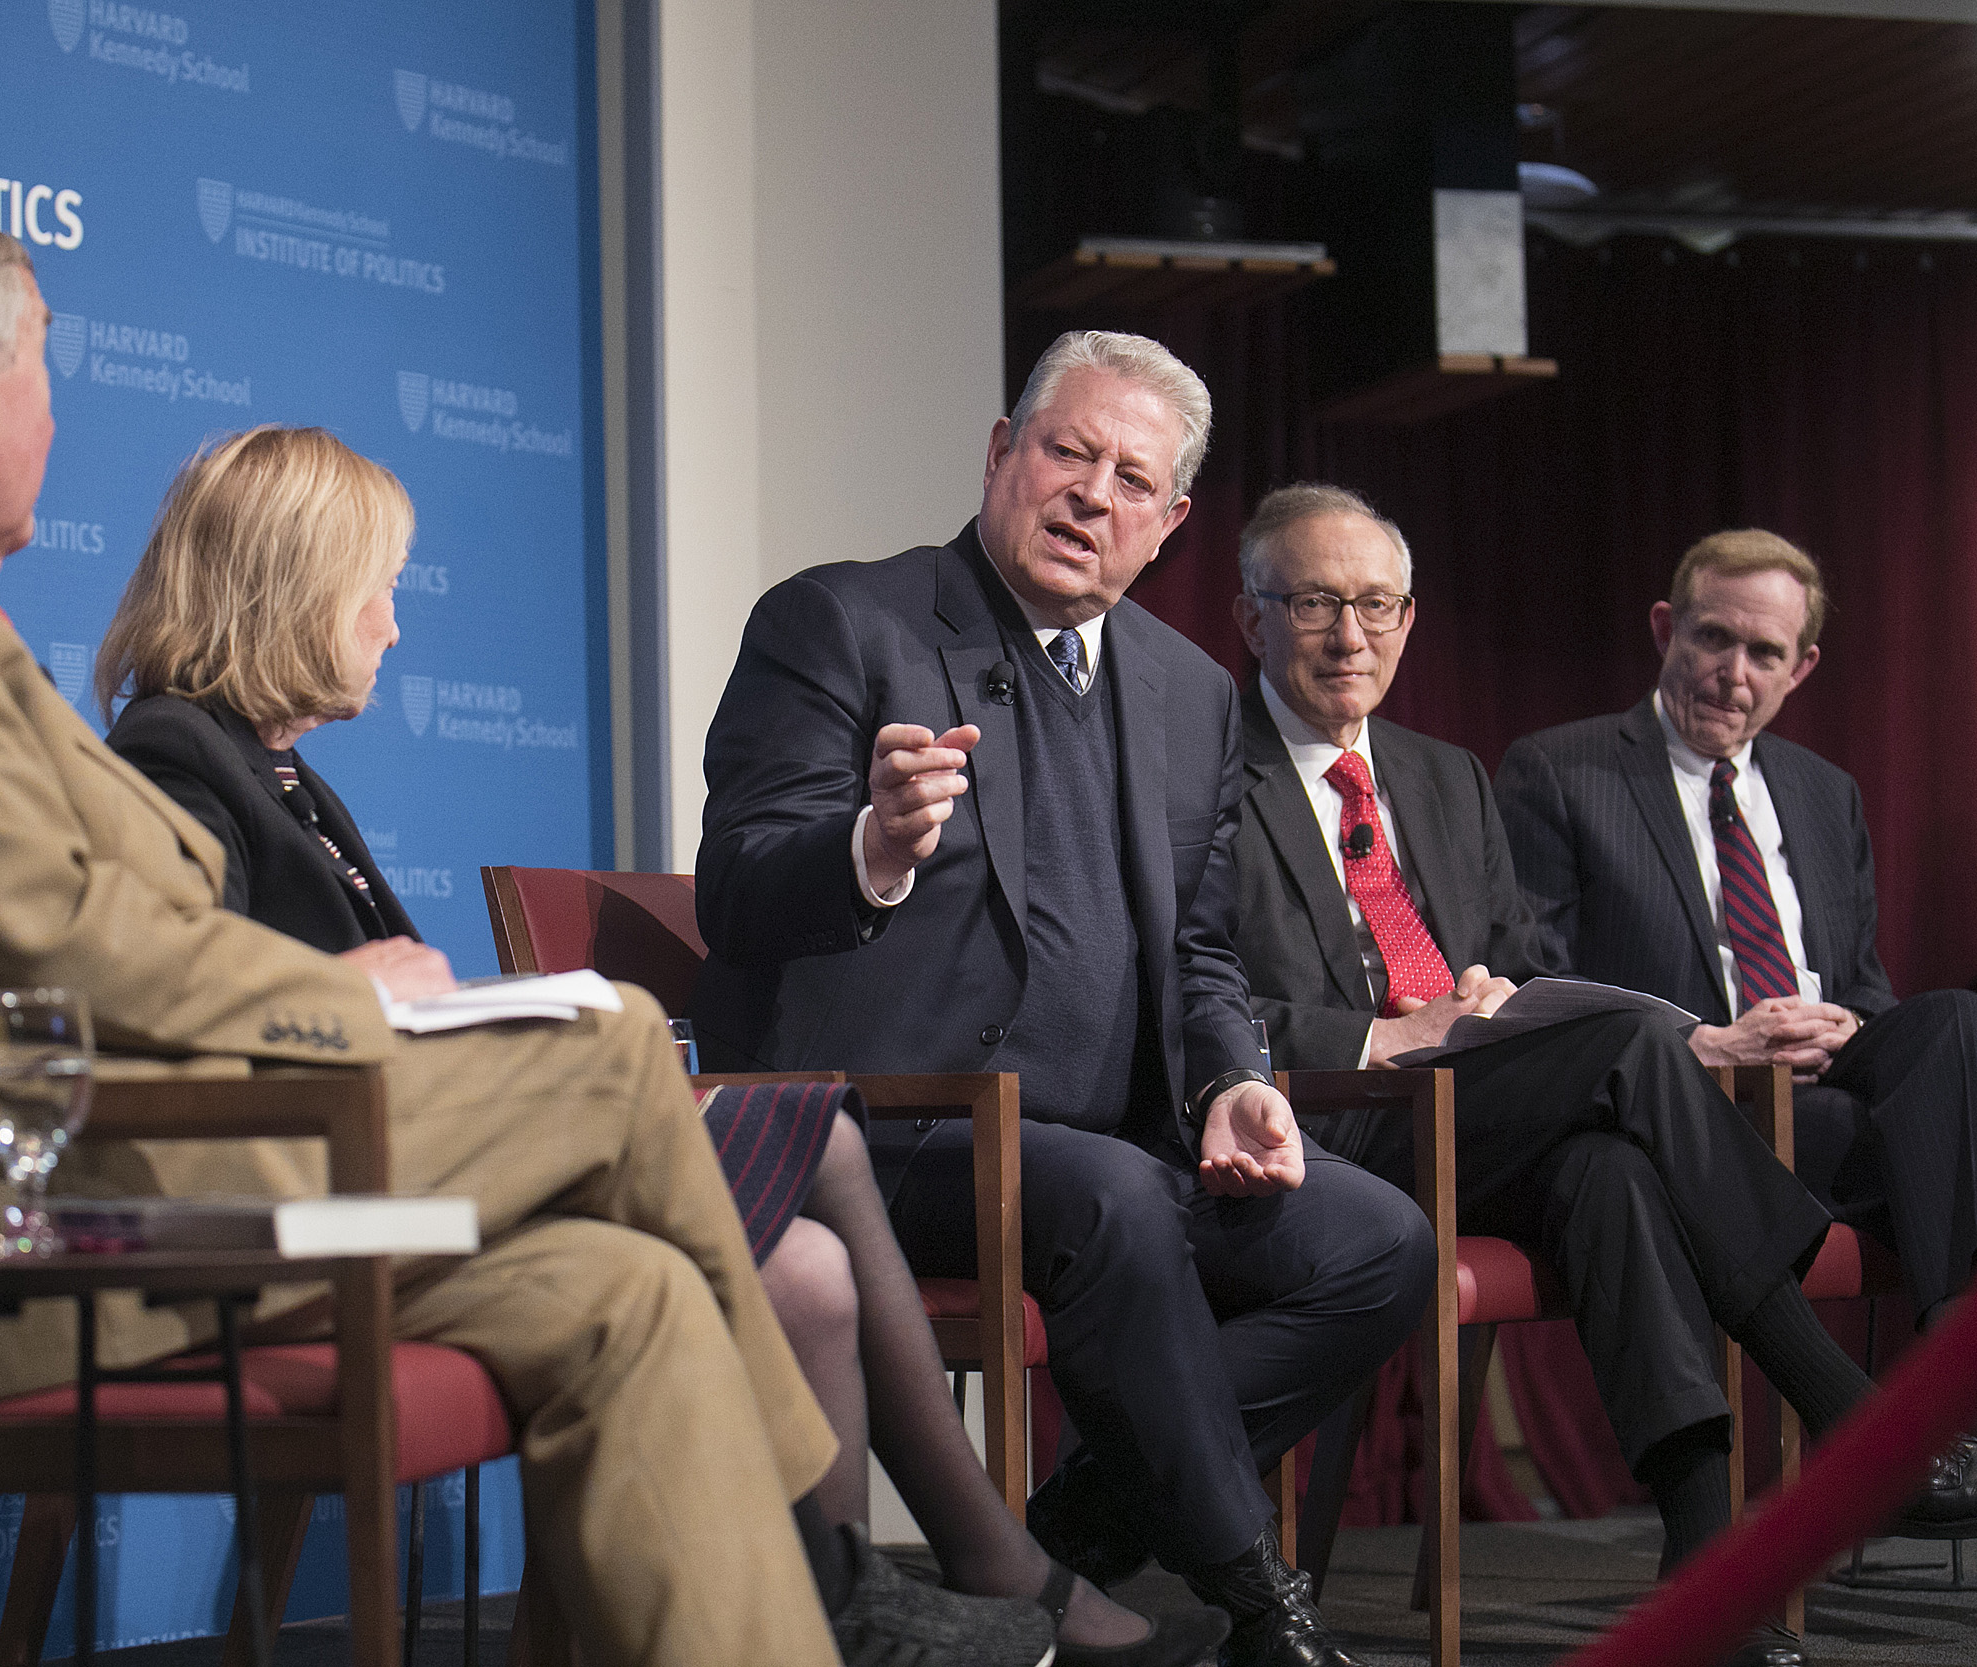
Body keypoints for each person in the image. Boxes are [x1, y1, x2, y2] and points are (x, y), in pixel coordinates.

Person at [0, 205, 1050, 1667]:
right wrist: (351, 1003)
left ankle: (808, 1595)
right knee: (621, 1042)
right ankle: (826, 1572)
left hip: (108, 1187)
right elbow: (61, 954)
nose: (59, 414)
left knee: (622, 1289)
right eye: (48, 366)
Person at [95, 423, 1227, 1667]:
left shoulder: (276, 771)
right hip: (318, 1189)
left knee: (801, 1263)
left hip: (394, 1155)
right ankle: (923, 1570)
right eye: (379, 588)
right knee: (818, 1138)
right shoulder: (176, 759)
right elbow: (174, 1013)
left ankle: (843, 1591)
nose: (391, 626)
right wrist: (368, 993)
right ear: (291, 589)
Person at [693, 329, 1437, 1667]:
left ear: (1172, 519)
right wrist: (867, 847)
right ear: (1001, 452)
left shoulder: (1189, 693)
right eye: (1066, 452)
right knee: (1114, 1195)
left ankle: (1067, 1530)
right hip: (890, 1134)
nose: (1091, 492)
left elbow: (1202, 946)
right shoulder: (845, 620)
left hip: (1123, 1143)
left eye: (1129, 476)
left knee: (1376, 1238)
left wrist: (1234, 1082)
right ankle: (1259, 1603)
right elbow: (740, 885)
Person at [1222, 485, 1977, 1666]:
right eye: (1314, 602)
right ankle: (1843, 1405)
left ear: (1410, 619)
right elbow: (1192, 991)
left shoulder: (1441, 772)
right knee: (1635, 1052)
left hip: (1488, 1114)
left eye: (1373, 604)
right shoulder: (1206, 773)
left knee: (1608, 1173)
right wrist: (1380, 1035)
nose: (1347, 634)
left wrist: (1490, 999)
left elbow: (1526, 967)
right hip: (1328, 1122)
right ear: (1249, 617)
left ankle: (1703, 1557)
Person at [1494, 532, 1977, 1452]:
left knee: (1955, 1022)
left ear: (1803, 667)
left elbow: (1868, 983)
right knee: (1919, 1137)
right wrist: (1711, 1040)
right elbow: (1535, 988)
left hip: (1830, 1099)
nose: (1733, 674)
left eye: (1764, 654)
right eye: (1715, 638)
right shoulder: (1563, 771)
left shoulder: (1824, 792)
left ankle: (1948, 1346)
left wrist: (1851, 1022)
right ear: (1666, 627)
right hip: (1692, 1117)